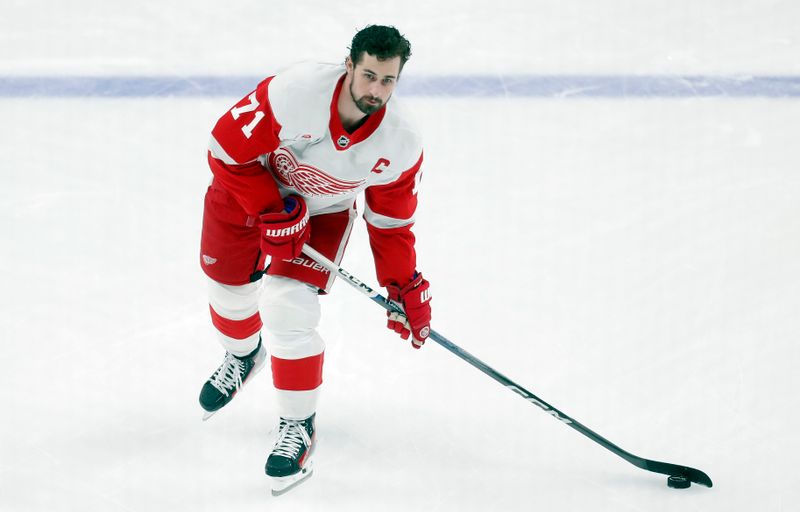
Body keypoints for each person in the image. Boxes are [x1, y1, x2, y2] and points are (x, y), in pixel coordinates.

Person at [197, 24, 432, 494]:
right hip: (248, 193)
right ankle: (244, 357)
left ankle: (298, 427)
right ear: (349, 65)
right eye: (368, 76)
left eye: (388, 81)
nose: (376, 90)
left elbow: (390, 223)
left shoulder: (400, 141)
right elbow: (224, 148)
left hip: (322, 216)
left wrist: (403, 285)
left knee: (287, 306)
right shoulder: (295, 91)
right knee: (228, 292)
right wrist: (270, 208)